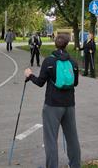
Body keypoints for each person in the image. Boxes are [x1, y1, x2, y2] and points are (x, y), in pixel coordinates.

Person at [24, 34, 81, 168]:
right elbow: (75, 83)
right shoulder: (73, 62)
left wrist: (30, 75)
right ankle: (75, 165)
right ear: (67, 44)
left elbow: (40, 82)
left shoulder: (49, 61)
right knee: (72, 138)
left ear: (55, 44)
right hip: (69, 105)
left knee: (50, 140)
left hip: (52, 105)